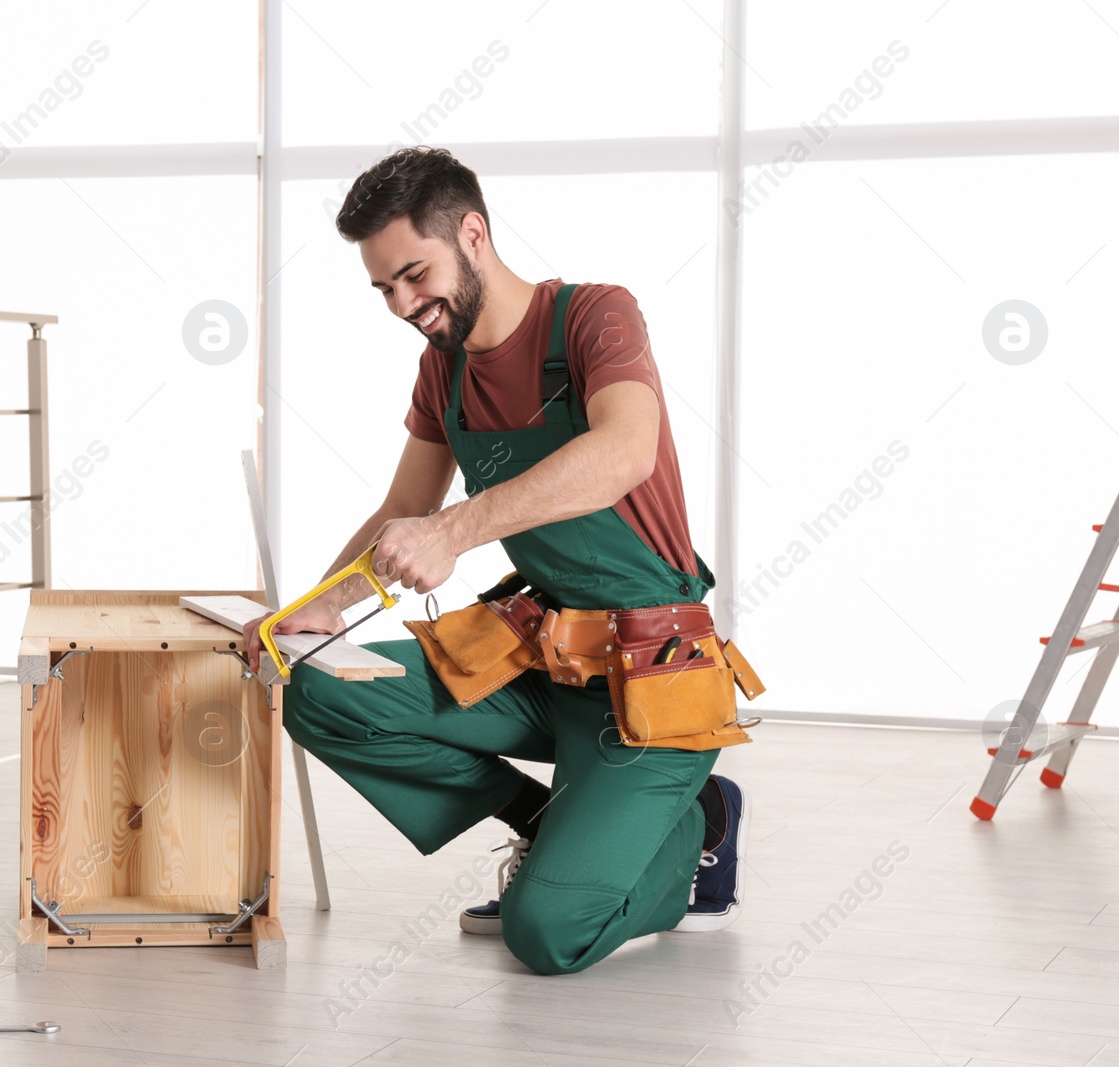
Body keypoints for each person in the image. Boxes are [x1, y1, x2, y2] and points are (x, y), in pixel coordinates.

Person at [243, 146, 750, 976]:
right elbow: (402, 510)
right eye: (383, 289)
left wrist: (456, 531)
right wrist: (322, 606)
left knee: (545, 931)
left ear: (472, 233)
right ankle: (549, 822)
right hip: (541, 661)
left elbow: (625, 448)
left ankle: (700, 824)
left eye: (414, 274)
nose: (404, 304)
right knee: (314, 688)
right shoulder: (442, 367)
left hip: (651, 678)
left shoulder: (595, 316)